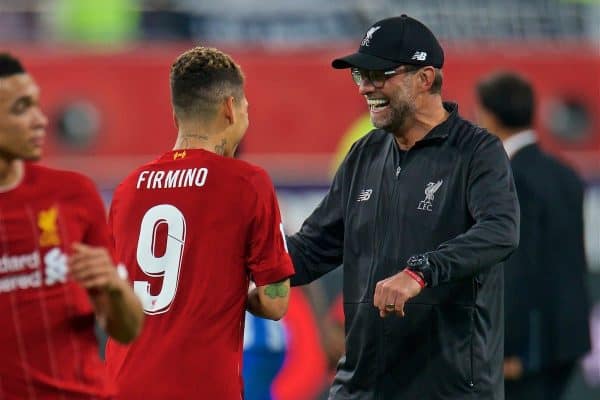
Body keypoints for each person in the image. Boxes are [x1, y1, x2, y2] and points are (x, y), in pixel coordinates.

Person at [286, 15, 520, 399]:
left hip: (448, 387)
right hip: (362, 386)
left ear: (425, 78)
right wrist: (250, 267)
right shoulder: (364, 153)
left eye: (379, 75)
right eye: (360, 75)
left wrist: (420, 272)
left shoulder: (478, 152)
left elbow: (499, 231)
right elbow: (313, 248)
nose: (365, 87)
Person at [104, 46, 294, 400]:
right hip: (200, 387)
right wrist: (233, 294)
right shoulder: (247, 183)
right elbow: (275, 301)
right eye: (246, 109)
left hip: (122, 384)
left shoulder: (127, 189)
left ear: (177, 118)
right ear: (230, 108)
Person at [0, 53, 143, 399]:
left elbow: (128, 329)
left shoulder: (72, 195)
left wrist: (113, 286)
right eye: (21, 108)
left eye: (36, 104)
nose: (41, 120)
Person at [475, 71, 591, 400]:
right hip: (567, 337)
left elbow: (516, 267)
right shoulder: (564, 173)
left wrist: (510, 348)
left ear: (489, 116)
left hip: (529, 347)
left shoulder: (509, 179)